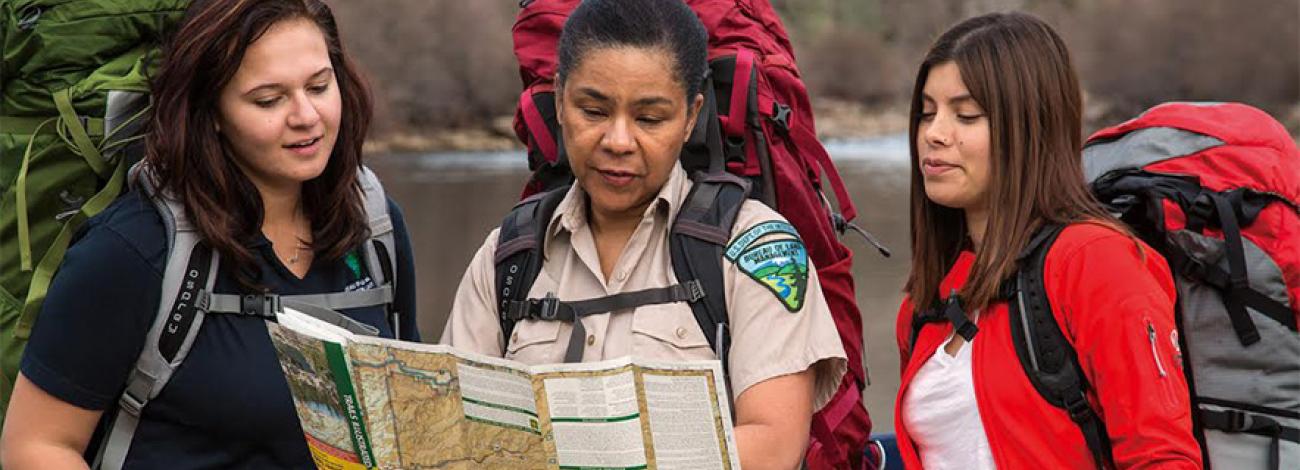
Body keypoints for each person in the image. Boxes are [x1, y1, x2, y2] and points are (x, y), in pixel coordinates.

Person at [0, 0, 418, 468]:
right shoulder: (134, 251)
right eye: (269, 99)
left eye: (319, 86)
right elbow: (35, 447)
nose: (306, 115)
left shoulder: (374, 225)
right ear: (212, 111)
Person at [441, 0, 846, 468]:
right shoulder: (508, 257)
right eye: (593, 111)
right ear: (560, 95)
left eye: (649, 119)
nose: (617, 141)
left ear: (691, 115)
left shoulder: (751, 248)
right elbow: (452, 431)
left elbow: (772, 446)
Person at [892, 12, 1202, 469]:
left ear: (1030, 127)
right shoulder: (925, 302)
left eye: (966, 115)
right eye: (926, 113)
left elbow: (1162, 457)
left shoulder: (1094, 262)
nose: (933, 134)